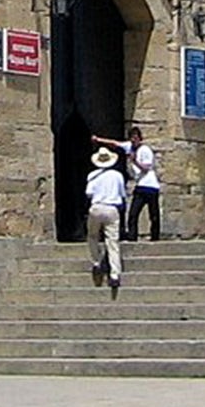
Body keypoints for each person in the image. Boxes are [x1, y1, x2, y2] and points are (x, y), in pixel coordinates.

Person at [95, 124, 162, 242]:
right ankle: (132, 237)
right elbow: (115, 143)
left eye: (135, 138)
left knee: (154, 214)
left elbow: (146, 168)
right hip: (140, 186)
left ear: (140, 139)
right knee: (133, 214)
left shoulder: (145, 150)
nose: (133, 140)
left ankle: (155, 237)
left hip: (150, 186)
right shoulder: (129, 147)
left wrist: (134, 160)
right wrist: (99, 139)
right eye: (131, 137)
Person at [84, 144, 127, 290]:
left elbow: (89, 194)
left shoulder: (92, 175)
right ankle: (115, 274)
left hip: (96, 207)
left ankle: (96, 261)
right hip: (112, 208)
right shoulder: (118, 175)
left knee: (92, 236)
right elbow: (122, 194)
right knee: (112, 241)